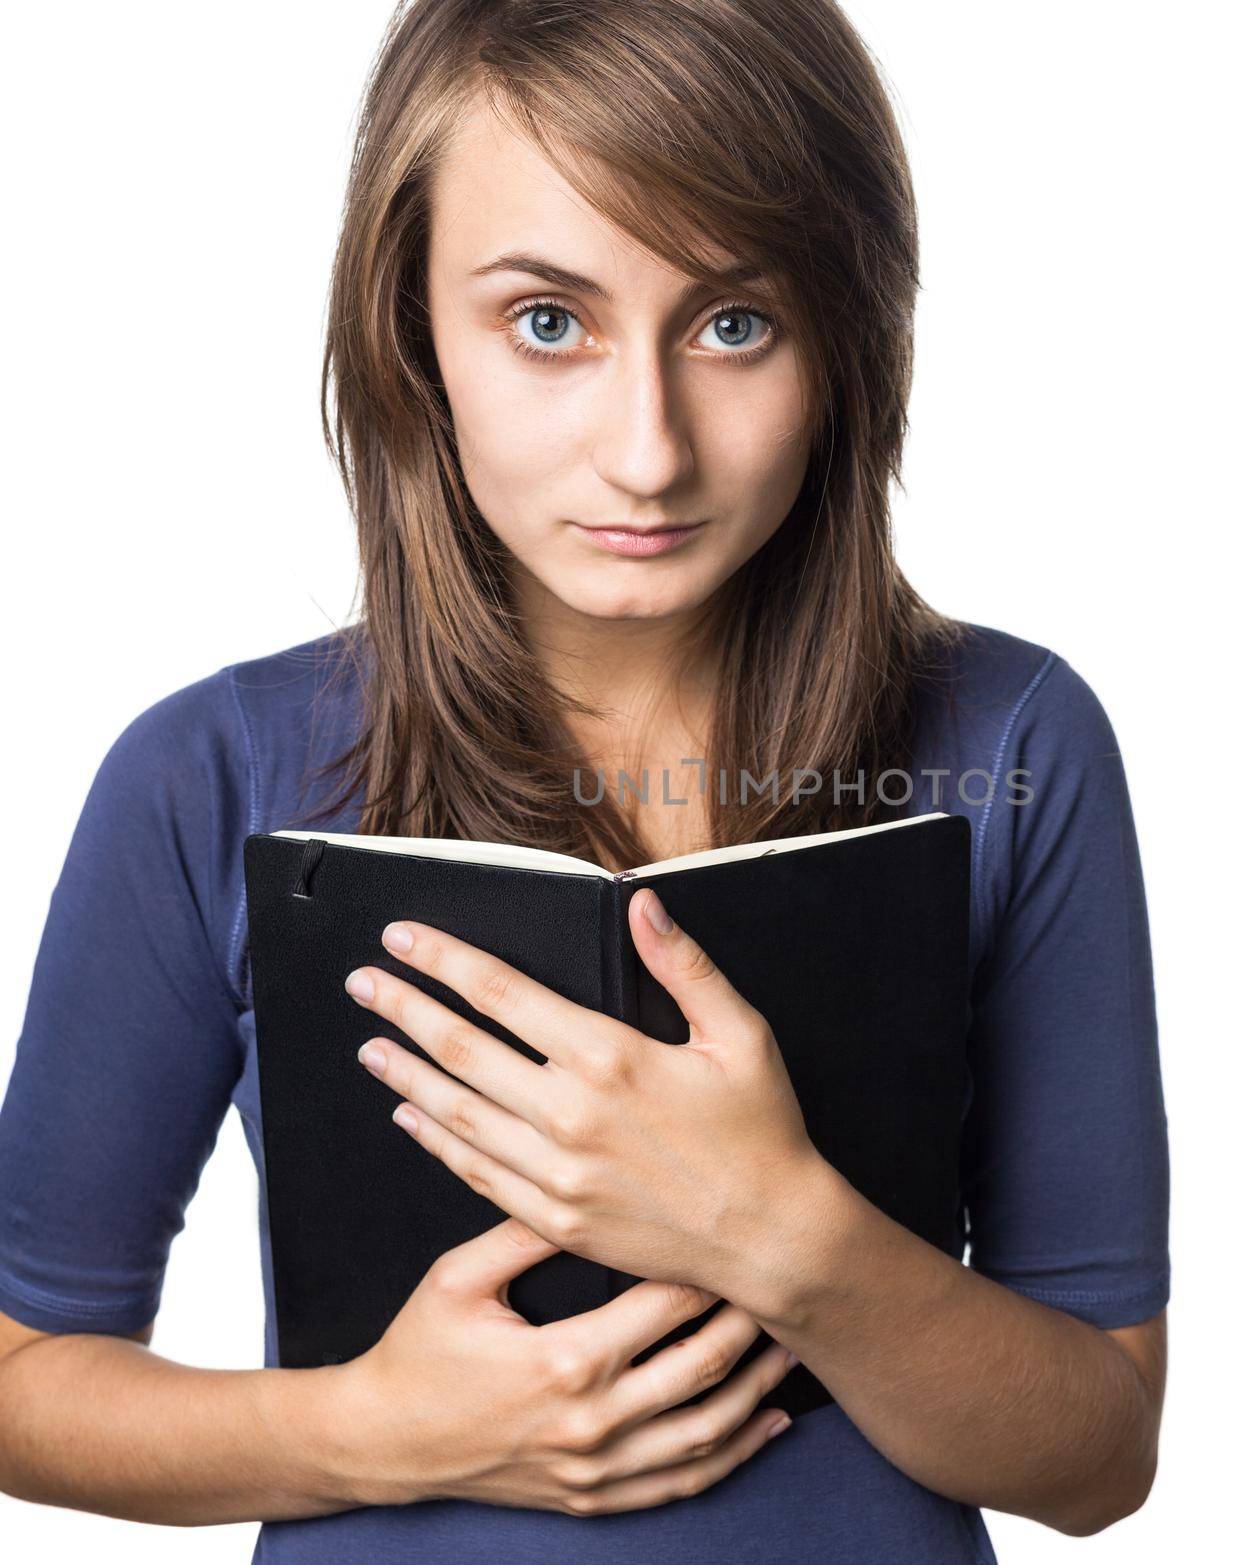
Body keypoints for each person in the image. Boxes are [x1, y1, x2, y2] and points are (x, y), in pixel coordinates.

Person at [0, 2, 1170, 1560]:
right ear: (412, 325)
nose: (647, 450)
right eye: (547, 321)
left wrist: (779, 1228)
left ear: (852, 335)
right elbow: (19, 1373)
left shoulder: (1011, 743)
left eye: (733, 322)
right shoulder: (211, 776)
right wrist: (370, 1430)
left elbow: (1095, 1455)